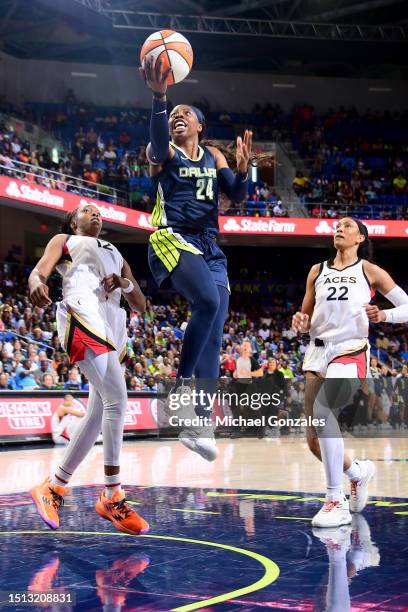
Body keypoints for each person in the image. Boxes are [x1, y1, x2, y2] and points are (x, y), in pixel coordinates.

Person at [139, 57, 268, 460]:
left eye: (185, 114)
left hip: (210, 245)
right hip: (171, 236)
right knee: (207, 302)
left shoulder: (214, 156)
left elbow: (238, 194)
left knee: (214, 330)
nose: (178, 118)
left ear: (200, 125)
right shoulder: (162, 152)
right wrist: (160, 97)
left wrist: (245, 172)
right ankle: (179, 390)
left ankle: (200, 422)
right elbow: (158, 140)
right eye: (174, 115)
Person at [28, 203, 149, 535]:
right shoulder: (64, 240)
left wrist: (123, 283)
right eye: (86, 210)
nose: (94, 214)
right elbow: (39, 271)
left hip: (111, 322)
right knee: (117, 400)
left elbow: (139, 301)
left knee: (99, 410)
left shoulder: (115, 251)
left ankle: (53, 486)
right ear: (73, 221)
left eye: (98, 211)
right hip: (81, 309)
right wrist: (35, 281)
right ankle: (112, 494)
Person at [292, 216, 408, 528]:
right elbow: (305, 313)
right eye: (337, 226)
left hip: (351, 349)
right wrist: (299, 322)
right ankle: (358, 472)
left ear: (360, 238)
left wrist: (385, 313)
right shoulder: (317, 270)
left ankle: (335, 500)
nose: (339, 229)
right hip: (317, 352)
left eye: (347, 226)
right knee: (315, 441)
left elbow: (407, 307)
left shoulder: (369, 270)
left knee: (324, 409)